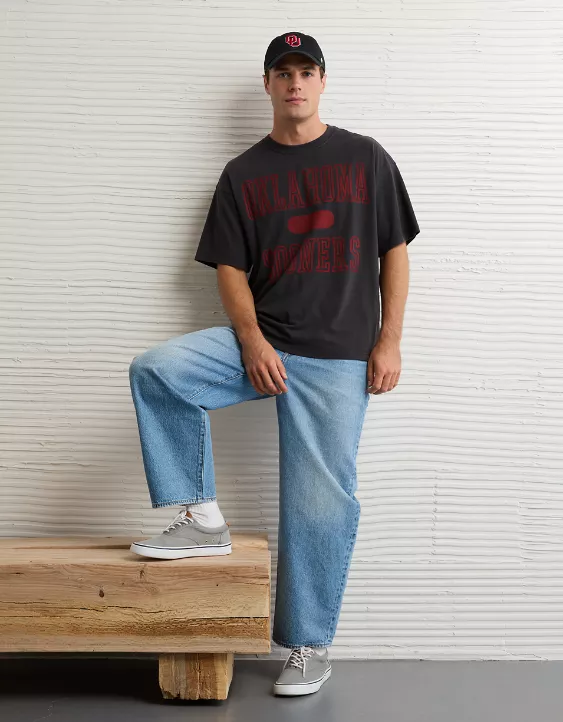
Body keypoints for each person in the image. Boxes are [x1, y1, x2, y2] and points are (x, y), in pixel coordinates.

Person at [128, 31, 420, 696]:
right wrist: (252, 341)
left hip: (337, 355)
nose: (294, 83)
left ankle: (308, 646)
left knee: (317, 503)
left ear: (321, 82)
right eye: (282, 73)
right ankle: (202, 520)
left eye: (305, 71)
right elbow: (229, 269)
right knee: (158, 369)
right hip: (261, 342)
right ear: (268, 84)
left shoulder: (365, 158)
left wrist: (390, 340)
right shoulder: (243, 174)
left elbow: (394, 252)